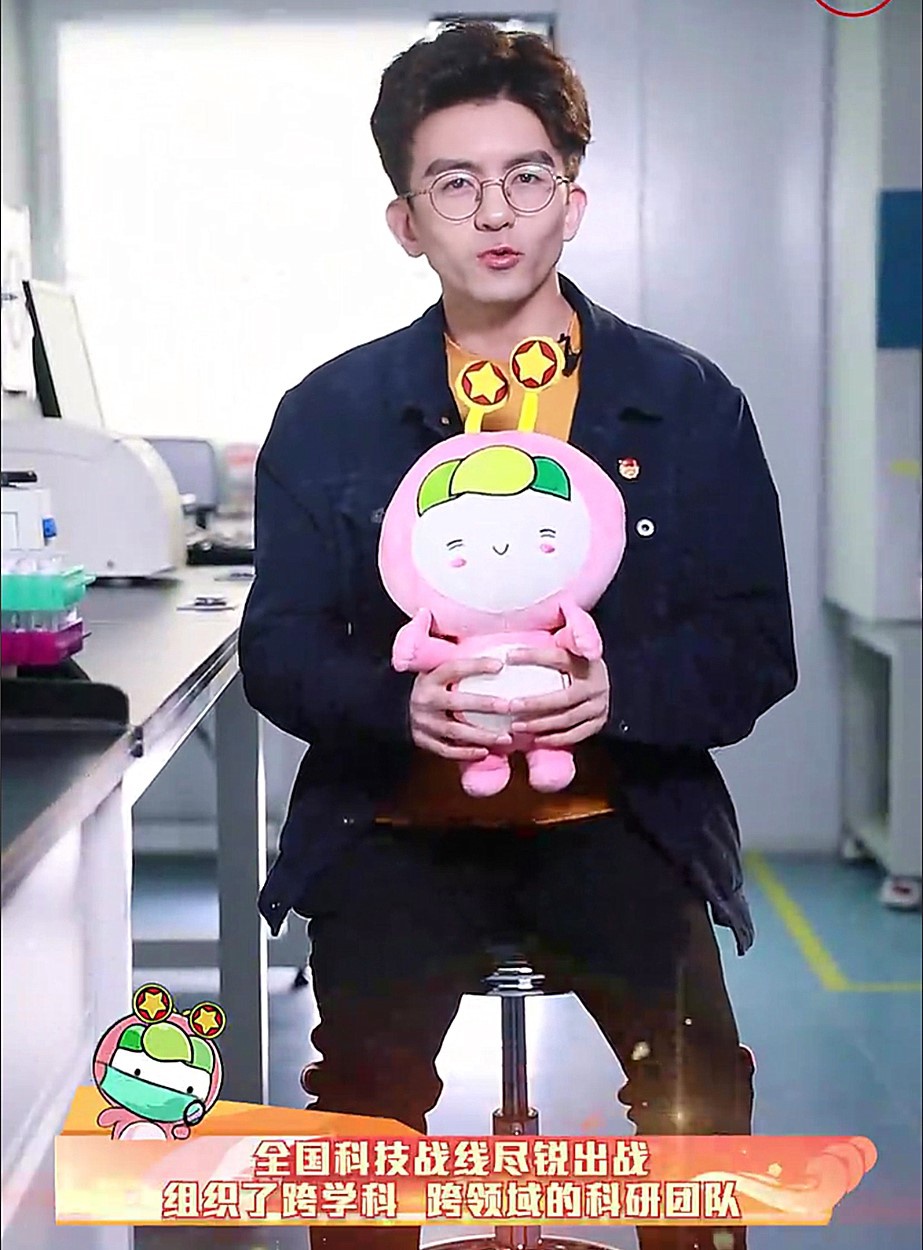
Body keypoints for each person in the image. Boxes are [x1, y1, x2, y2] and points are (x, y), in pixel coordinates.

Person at [238, 20, 797, 1250]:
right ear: (405, 221)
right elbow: (277, 644)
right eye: (453, 182)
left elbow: (754, 644)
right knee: (362, 1118)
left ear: (571, 200)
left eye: (524, 176)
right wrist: (398, 707)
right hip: (394, 825)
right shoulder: (329, 412)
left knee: (698, 1107)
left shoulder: (687, 402)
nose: (493, 212)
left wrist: (618, 693)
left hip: (619, 818)